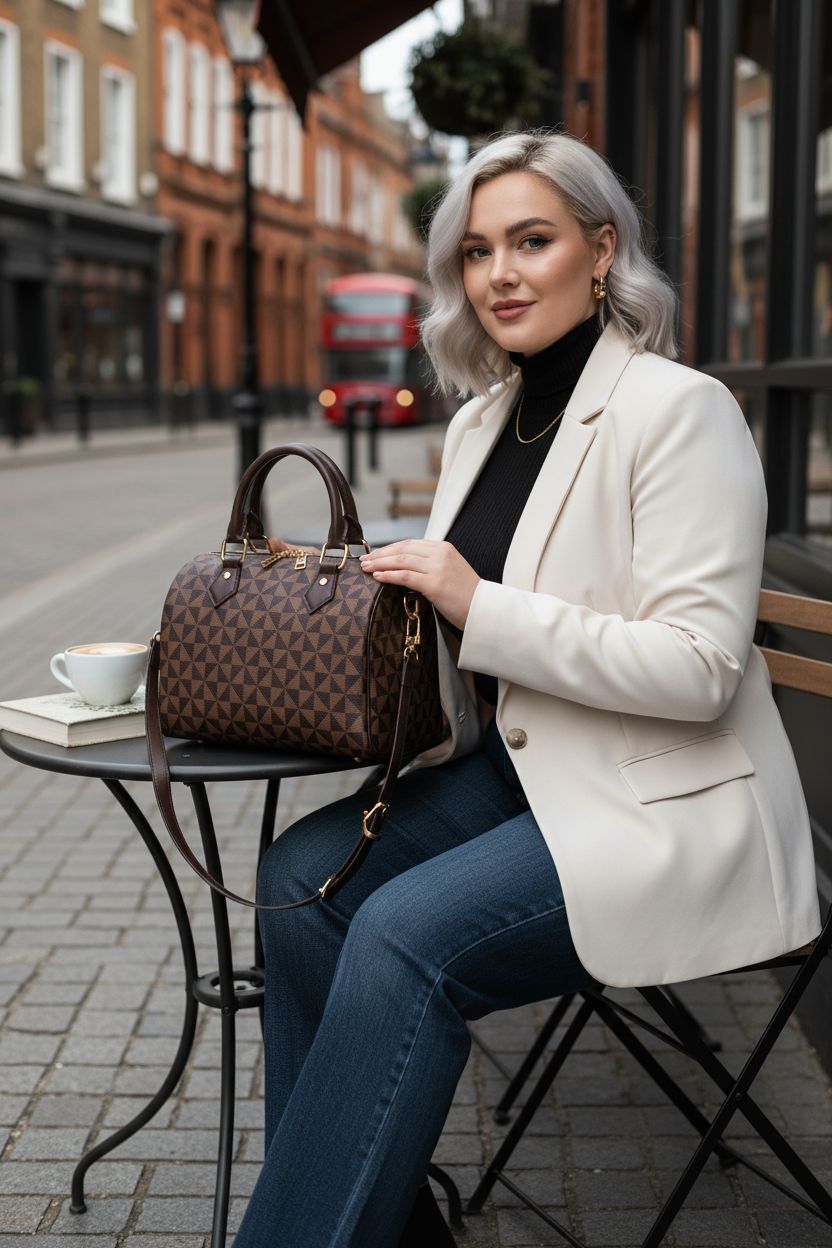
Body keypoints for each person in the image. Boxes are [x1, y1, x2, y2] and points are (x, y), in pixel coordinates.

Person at [232, 130, 821, 1248]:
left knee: (400, 933)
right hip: (517, 772)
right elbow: (464, 632)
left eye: (532, 241)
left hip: (660, 800)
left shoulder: (680, 411)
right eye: (476, 250)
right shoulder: (479, 421)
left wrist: (476, 601)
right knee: (300, 881)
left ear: (601, 251)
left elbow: (700, 670)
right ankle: (375, 1221)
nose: (499, 273)